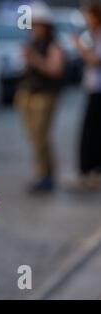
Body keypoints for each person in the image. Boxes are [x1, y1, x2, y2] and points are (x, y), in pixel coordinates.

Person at [14, 2, 64, 194]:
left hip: (44, 96)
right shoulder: (33, 43)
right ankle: (42, 173)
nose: (33, 28)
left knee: (40, 138)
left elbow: (55, 69)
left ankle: (46, 175)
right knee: (34, 138)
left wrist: (34, 59)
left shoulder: (53, 45)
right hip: (29, 93)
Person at [70, 2, 101, 191]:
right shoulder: (94, 34)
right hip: (93, 89)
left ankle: (92, 170)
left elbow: (95, 60)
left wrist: (79, 46)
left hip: (99, 91)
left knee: (92, 133)